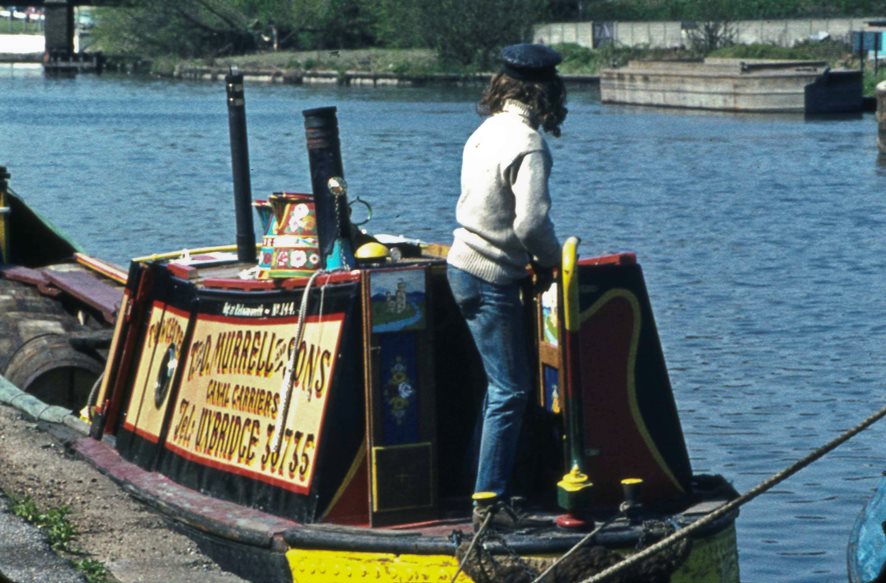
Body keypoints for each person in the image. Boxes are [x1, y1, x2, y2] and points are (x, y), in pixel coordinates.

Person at [446, 43, 567, 531]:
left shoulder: (485, 131)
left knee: (499, 389)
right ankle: (489, 504)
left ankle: (476, 488)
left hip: (461, 267)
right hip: (493, 275)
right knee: (512, 391)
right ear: (546, 91)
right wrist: (556, 264)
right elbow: (531, 224)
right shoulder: (528, 142)